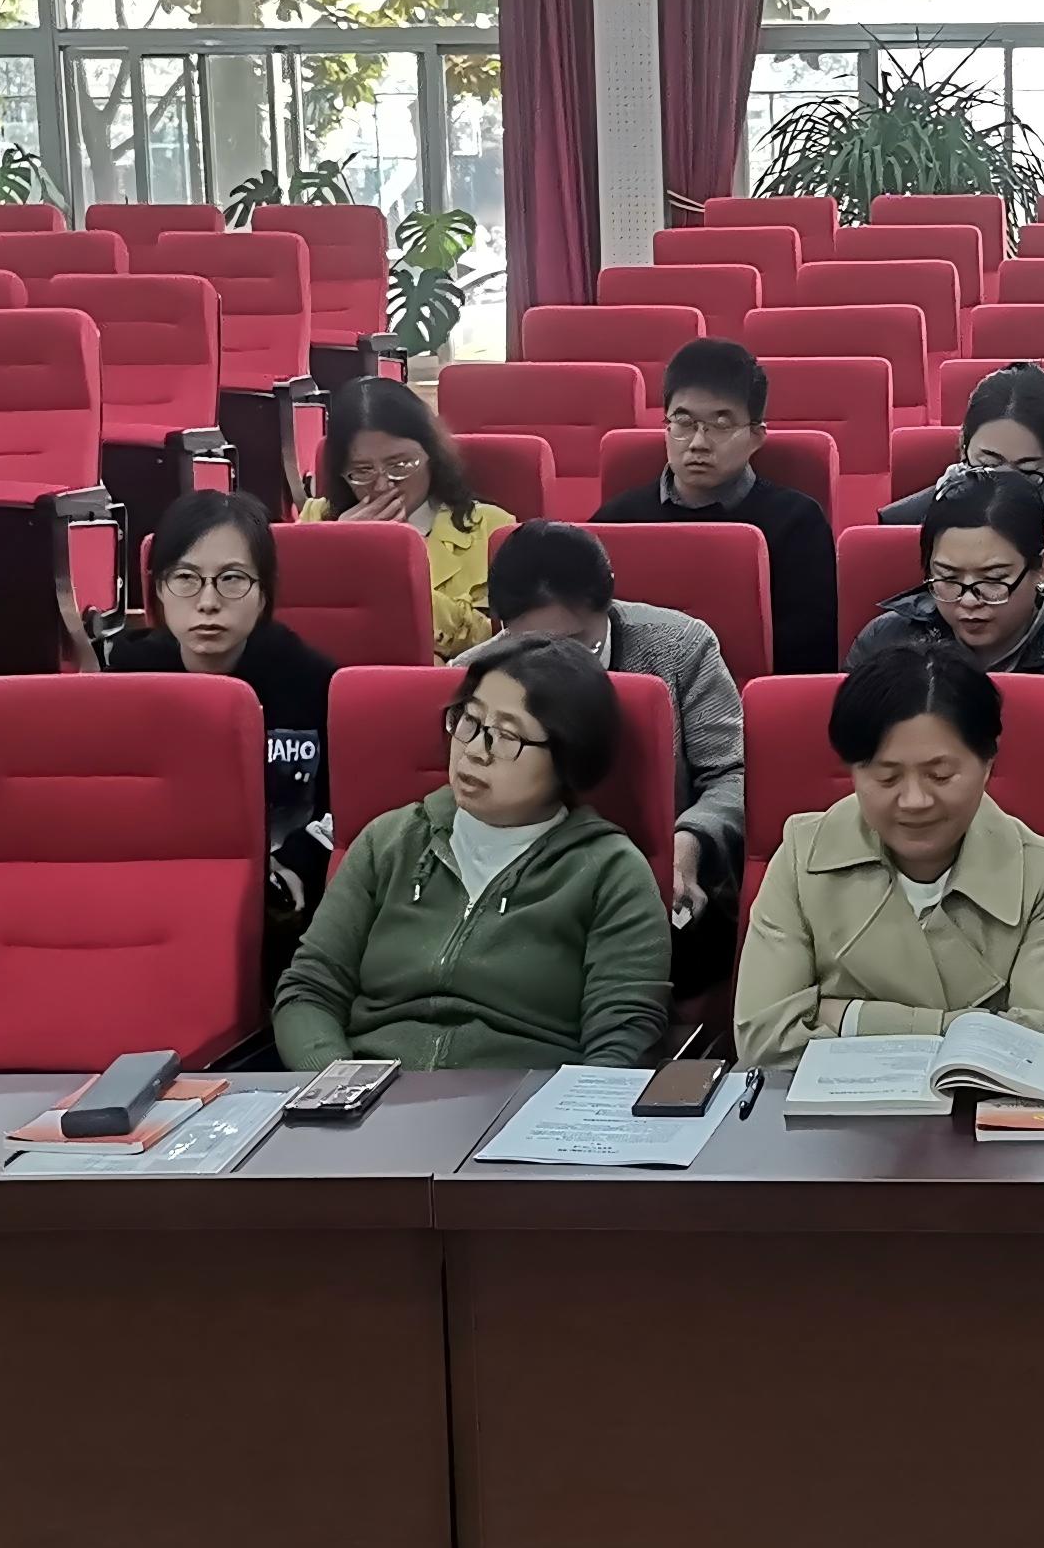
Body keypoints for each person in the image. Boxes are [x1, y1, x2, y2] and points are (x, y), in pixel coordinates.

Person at [271, 631, 671, 1068]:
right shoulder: (389, 841)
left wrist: (563, 1111)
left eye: (507, 736)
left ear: (568, 757)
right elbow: (309, 991)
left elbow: (622, 1038)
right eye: (470, 721)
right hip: (370, 1092)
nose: (475, 752)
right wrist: (339, 1086)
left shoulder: (610, 871)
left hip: (523, 1099)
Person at [734, 646, 1044, 1068]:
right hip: (828, 1108)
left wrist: (848, 1017)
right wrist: (973, 1029)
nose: (915, 801)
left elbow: (1040, 1045)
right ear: (853, 771)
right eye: (887, 777)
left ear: (988, 764)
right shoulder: (802, 855)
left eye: (940, 775)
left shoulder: (1042, 871)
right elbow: (764, 1040)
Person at [848, 469, 1044, 891]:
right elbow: (845, 770)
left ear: (1040, 567)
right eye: (947, 580)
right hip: (897, 874)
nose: (969, 602)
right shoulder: (885, 645)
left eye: (993, 582)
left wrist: (1042, 729)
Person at [482, 518, 742, 932]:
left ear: (606, 603)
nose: (554, 666)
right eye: (529, 647)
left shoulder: (680, 647)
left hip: (658, 873)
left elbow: (732, 773)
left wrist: (691, 840)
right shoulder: (475, 675)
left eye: (577, 644)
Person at [589, 337, 837, 678]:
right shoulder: (616, 521)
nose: (698, 443)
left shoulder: (797, 524)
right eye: (683, 422)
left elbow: (810, 658)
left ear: (755, 436)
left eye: (721, 425)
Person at [106, 495, 333, 852]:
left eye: (232, 578)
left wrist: (294, 870)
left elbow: (341, 815)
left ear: (263, 594)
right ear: (159, 589)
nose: (208, 603)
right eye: (185, 577)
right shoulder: (122, 689)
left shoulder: (317, 686)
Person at [307, 376, 513, 657]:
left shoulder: (490, 528)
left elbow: (492, 639)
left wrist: (387, 566)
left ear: (432, 455)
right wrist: (339, 549)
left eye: (400, 465)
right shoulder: (316, 520)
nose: (383, 485)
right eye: (362, 471)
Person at [877, 360, 1044, 550]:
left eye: (1026, 470)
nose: (1003, 484)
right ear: (963, 444)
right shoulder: (903, 523)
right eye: (988, 464)